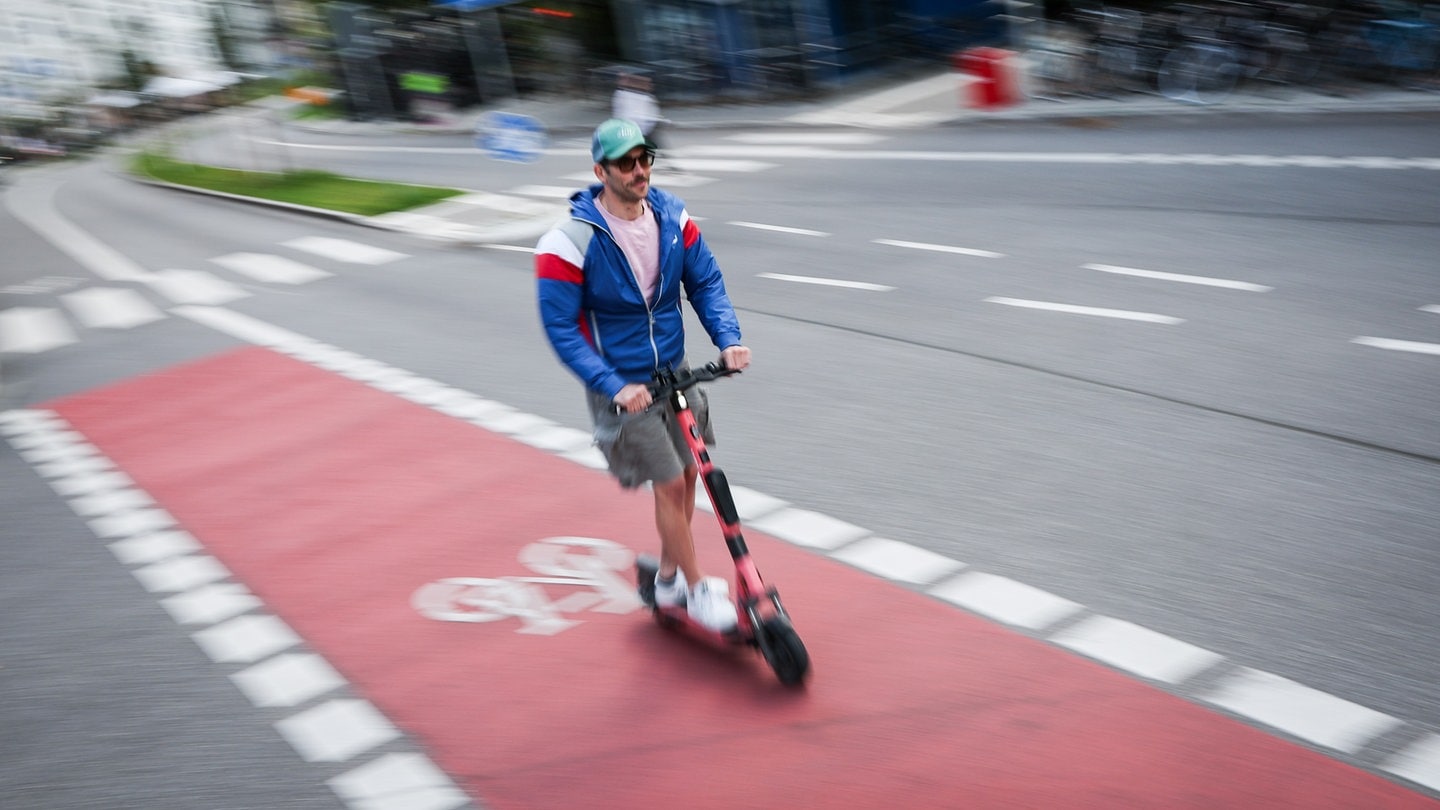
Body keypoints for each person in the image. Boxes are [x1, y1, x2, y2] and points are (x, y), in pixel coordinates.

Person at [535, 118, 750, 633]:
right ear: (600, 170)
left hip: (674, 371)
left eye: (645, 159)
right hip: (625, 384)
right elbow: (562, 328)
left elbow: (706, 283)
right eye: (626, 163)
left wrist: (729, 339)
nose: (639, 171)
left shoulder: (674, 219)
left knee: (691, 475)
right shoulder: (569, 242)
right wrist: (614, 385)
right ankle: (697, 590)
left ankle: (670, 578)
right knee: (669, 482)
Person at [610, 72, 667, 150]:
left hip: (641, 122)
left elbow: (620, 111)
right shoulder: (624, 94)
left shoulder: (624, 94)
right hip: (641, 122)